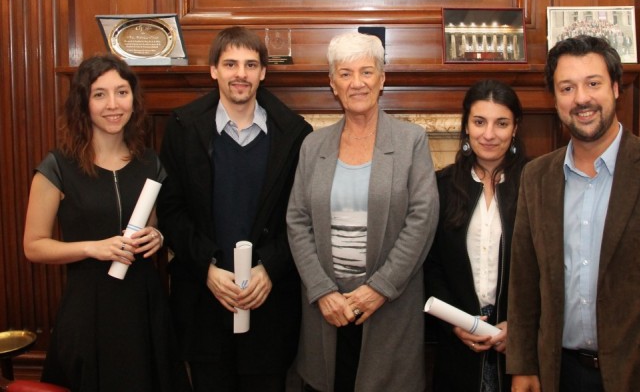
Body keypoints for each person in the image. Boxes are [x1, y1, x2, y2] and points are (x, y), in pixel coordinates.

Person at [506, 35, 640, 392]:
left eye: (593, 83)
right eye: (566, 87)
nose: (581, 99)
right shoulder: (537, 177)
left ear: (617, 88)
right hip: (558, 374)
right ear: (554, 98)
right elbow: (525, 283)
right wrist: (523, 365)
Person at [156, 26, 312, 391]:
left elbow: (302, 217)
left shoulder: (295, 135)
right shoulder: (183, 128)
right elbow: (171, 211)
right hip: (203, 300)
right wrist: (206, 269)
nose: (240, 73)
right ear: (214, 70)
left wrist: (270, 269)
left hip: (270, 302)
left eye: (250, 64)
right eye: (230, 64)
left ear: (263, 72)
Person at [23, 54, 187, 391]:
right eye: (100, 94)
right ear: (83, 103)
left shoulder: (148, 161)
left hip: (143, 306)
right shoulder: (58, 166)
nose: (113, 105)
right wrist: (93, 248)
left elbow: (154, 225)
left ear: (133, 99)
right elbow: (33, 246)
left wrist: (157, 235)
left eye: (121, 92)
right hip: (89, 308)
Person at [286, 32, 439, 392]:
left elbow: (423, 218)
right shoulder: (313, 145)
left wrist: (379, 288)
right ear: (332, 83)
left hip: (388, 306)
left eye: (367, 72)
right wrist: (322, 290)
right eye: (345, 73)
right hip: (327, 308)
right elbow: (297, 220)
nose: (357, 83)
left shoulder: (410, 141)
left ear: (382, 79)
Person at [424, 79, 528, 392]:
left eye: (501, 123)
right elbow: (431, 265)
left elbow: (550, 268)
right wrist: (456, 324)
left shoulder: (536, 183)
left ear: (515, 129)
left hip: (519, 349)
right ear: (466, 126)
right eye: (479, 121)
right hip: (457, 347)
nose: (489, 134)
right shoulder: (440, 186)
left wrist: (521, 327)